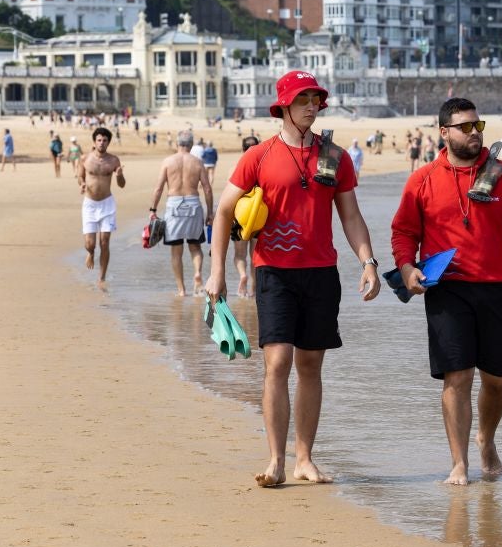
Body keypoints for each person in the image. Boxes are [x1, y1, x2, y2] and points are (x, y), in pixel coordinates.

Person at [205, 70, 381, 487]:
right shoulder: (259, 156)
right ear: (283, 105)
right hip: (274, 273)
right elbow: (224, 211)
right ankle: (275, 460)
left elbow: (351, 216)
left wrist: (369, 262)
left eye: (316, 99)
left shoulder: (333, 157)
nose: (312, 106)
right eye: (304, 99)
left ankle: (304, 458)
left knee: (310, 365)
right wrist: (217, 272)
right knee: (278, 362)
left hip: (321, 273)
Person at [390, 97, 502, 486]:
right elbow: (404, 231)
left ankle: (486, 439)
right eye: (465, 127)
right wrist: (407, 268)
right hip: (448, 291)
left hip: (498, 290)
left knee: (497, 380)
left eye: (479, 126)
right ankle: (458, 463)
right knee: (456, 377)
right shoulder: (422, 180)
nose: (475, 133)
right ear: (444, 132)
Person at [149, 130, 214, 297]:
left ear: (177, 144)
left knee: (176, 251)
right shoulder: (198, 162)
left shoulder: (168, 161)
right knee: (195, 246)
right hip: (193, 202)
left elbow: (158, 188)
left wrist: (153, 210)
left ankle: (181, 289)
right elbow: (207, 188)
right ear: (191, 145)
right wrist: (209, 213)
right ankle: (197, 273)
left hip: (174, 204)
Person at [77, 128, 125, 288]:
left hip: (107, 204)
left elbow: (122, 185)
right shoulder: (85, 158)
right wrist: (82, 184)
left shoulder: (113, 161)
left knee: (104, 242)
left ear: (108, 142)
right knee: (90, 244)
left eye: (104, 140)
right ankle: (90, 253)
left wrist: (119, 175)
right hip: (90, 205)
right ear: (94, 141)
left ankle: (101, 277)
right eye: (99, 140)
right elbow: (80, 176)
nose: (101, 143)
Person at [233, 135, 260, 298]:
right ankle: (253, 288)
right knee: (255, 256)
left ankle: (242, 275)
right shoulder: (262, 167)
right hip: (258, 218)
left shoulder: (236, 167)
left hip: (240, 218)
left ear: (242, 149)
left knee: (239, 255)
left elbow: (230, 198)